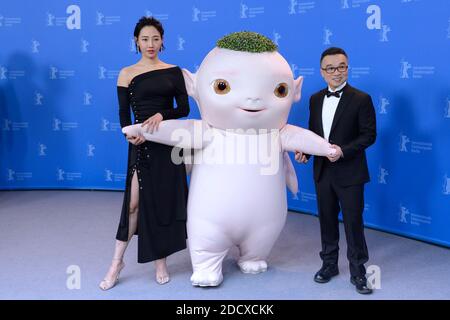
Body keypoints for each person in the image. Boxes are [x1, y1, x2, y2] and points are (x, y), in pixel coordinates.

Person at [99, 16, 190, 290]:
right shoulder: (126, 73)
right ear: (136, 42)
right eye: (145, 39)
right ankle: (116, 263)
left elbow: (183, 109)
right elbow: (122, 114)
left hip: (167, 143)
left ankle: (160, 261)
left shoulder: (174, 71)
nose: (150, 44)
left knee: (161, 202)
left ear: (163, 41)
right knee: (133, 204)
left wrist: (163, 114)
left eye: (155, 39)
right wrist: (130, 133)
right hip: (140, 144)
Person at [295, 47, 376, 294]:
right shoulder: (315, 99)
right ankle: (329, 264)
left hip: (350, 172)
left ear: (347, 68)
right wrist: (305, 151)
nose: (336, 72)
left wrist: (343, 150)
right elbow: (313, 134)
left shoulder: (362, 99)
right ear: (322, 72)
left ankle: (359, 272)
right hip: (323, 172)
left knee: (353, 222)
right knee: (327, 221)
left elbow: (369, 135)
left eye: (341, 67)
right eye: (330, 68)